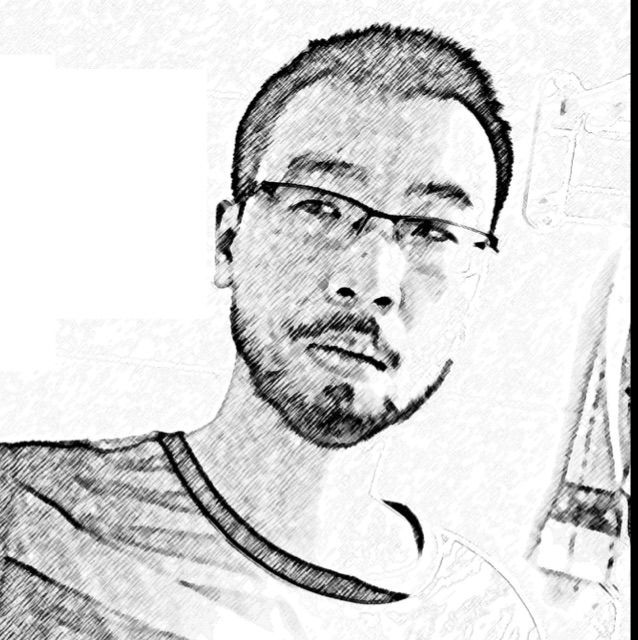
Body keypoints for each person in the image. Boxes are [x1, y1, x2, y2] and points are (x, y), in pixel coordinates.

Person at [0, 24, 541, 639]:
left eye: (432, 231)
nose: (372, 279)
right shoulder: (26, 520)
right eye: (320, 207)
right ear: (228, 244)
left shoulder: (485, 620)